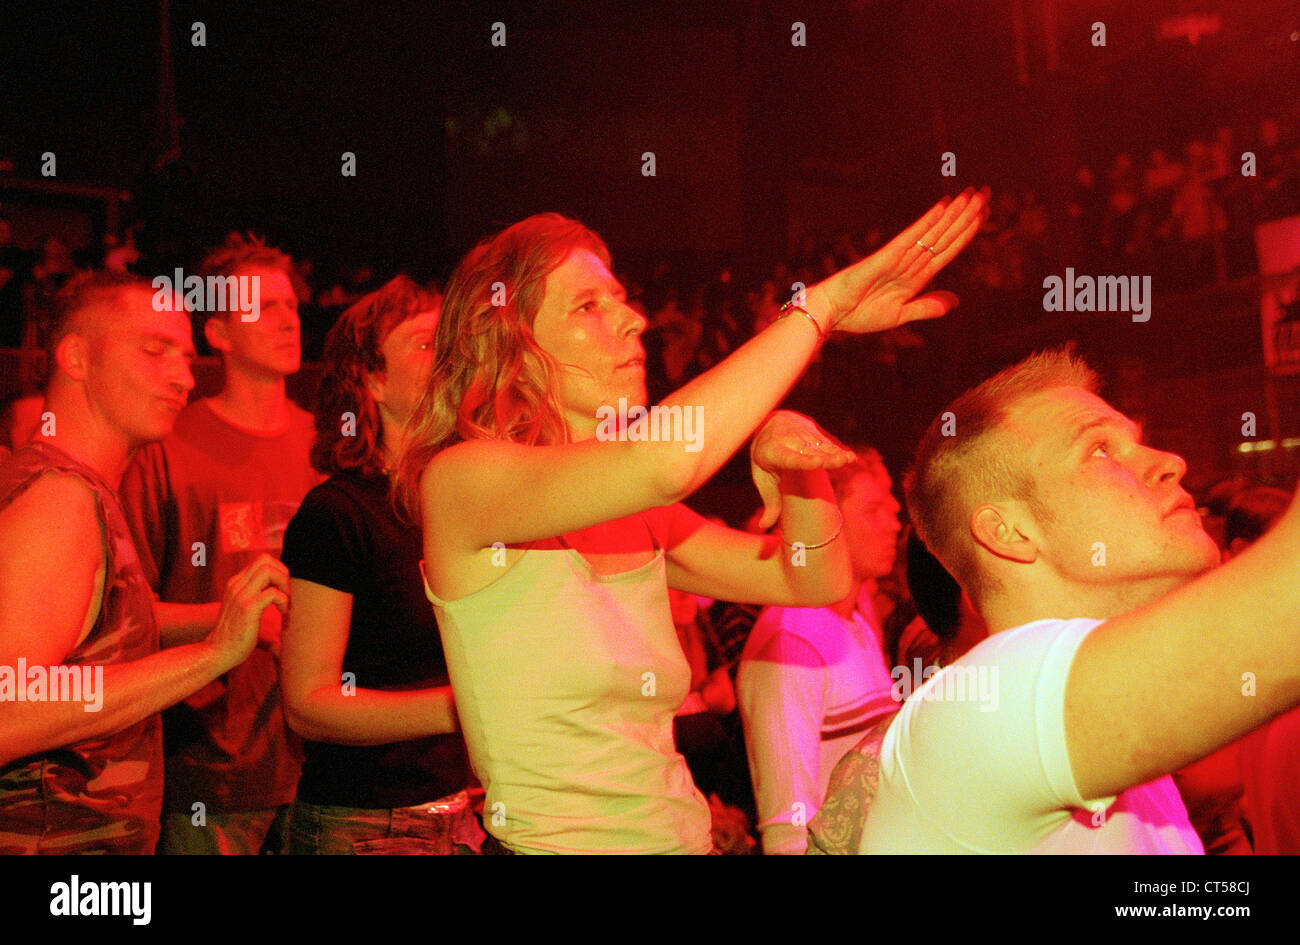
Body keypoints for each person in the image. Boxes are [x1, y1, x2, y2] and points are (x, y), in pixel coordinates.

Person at [397, 191, 988, 853]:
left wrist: (796, 464)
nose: (634, 320)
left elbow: (815, 578)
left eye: (621, 298)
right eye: (589, 306)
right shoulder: (461, 481)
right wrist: (817, 309)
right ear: (512, 341)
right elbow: (669, 458)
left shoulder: (637, 511)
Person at [859, 346, 1300, 853]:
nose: (1171, 463)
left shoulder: (1103, 749)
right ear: (1009, 531)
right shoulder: (985, 709)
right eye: (1100, 450)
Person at [0, 270, 287, 854]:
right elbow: (7, 707)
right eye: (154, 350)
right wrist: (210, 655)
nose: (183, 376)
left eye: (185, 356)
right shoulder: (60, 498)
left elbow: (96, 627)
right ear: (77, 356)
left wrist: (224, 616)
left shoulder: (83, 489)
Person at [120, 234, 319, 854]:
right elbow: (124, 615)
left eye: (291, 305)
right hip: (207, 765)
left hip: (325, 763)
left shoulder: (328, 447)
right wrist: (236, 623)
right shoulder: (167, 446)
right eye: (263, 307)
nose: (288, 320)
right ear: (219, 333)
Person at [278, 276, 484, 854]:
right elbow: (308, 705)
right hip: (366, 827)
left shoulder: (458, 504)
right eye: (425, 343)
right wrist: (464, 704)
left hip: (459, 813)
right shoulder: (337, 514)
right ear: (371, 380)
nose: (449, 356)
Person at [736, 446, 900, 854]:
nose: (894, 524)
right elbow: (788, 828)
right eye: (873, 510)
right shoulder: (790, 640)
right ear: (825, 524)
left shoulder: (856, 625)